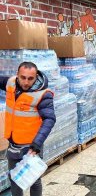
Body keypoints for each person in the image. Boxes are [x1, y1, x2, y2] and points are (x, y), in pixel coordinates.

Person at [0, 62, 56, 196]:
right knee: (14, 178)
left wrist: (37, 143)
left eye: (30, 78)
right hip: (13, 144)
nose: (26, 82)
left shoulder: (43, 94)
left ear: (36, 76)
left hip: (32, 145)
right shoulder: (11, 84)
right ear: (17, 75)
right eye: (22, 77)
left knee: (34, 180)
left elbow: (50, 119)